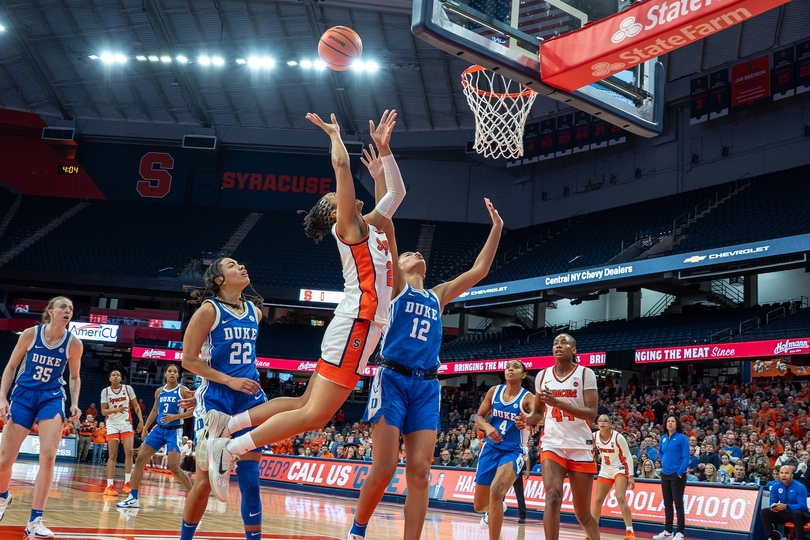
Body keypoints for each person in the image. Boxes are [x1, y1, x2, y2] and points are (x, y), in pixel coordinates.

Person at [202, 110, 406, 503]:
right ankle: (230, 449)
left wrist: (385, 151)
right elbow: (342, 166)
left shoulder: (371, 225)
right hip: (358, 324)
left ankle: (229, 423)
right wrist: (335, 135)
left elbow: (396, 195)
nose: (340, 194)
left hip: (358, 327)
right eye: (334, 198)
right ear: (334, 212)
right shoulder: (349, 227)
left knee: (302, 404)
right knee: (315, 416)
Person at [345, 145, 502, 540]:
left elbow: (480, 270)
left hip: (427, 385)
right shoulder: (395, 286)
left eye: (419, 253)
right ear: (396, 265)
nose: (416, 252)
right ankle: (357, 531)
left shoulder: (438, 294)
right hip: (393, 379)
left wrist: (497, 228)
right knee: (384, 469)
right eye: (408, 253)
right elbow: (385, 226)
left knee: (420, 471)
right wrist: (382, 172)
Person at [178, 257, 267, 540]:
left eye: (241, 264)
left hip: (249, 396)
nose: (241, 267)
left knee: (251, 480)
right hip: (217, 399)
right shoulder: (208, 311)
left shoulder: (255, 312)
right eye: (232, 265)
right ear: (219, 279)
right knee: (204, 483)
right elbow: (189, 360)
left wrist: (238, 382)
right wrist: (227, 381)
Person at [0, 296, 83, 538]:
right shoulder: (30, 334)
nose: (68, 310)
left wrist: (74, 403)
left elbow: (75, 377)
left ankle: (35, 520)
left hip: (51, 397)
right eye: (63, 307)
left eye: (71, 308)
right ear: (51, 311)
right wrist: (2, 397)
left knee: (48, 457)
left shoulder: (74, 343)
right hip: (24, 396)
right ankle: (3, 496)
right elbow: (11, 366)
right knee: (4, 461)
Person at [521, 333, 600, 540]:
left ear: (573, 350)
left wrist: (557, 403)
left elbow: (591, 413)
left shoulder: (586, 374)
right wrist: (526, 419)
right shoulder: (542, 376)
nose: (558, 345)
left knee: (583, 514)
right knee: (553, 496)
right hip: (552, 443)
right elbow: (538, 413)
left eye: (564, 342)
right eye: (555, 343)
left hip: (580, 445)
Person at [117, 364, 194, 508]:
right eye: (169, 371)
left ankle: (194, 495)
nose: (172, 373)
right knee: (139, 460)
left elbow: (194, 411)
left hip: (174, 430)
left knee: (174, 467)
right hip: (158, 429)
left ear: (178, 375)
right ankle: (133, 497)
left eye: (175, 372)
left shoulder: (183, 391)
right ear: (165, 374)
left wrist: (176, 416)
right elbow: (154, 410)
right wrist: (145, 428)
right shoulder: (159, 391)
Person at [473, 360, 533, 540]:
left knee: (497, 492)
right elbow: (479, 417)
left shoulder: (528, 398)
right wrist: (488, 427)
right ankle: (494, 509)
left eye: (515, 367)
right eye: (508, 367)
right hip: (491, 448)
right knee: (479, 505)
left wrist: (529, 421)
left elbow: (541, 418)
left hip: (514, 450)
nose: (510, 369)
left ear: (523, 375)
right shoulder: (494, 391)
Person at [100, 369, 144, 496]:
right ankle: (109, 486)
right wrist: (116, 410)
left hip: (126, 423)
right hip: (112, 424)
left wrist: (141, 421)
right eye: (113, 375)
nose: (115, 377)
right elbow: (103, 411)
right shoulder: (105, 391)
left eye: (118, 375)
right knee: (112, 454)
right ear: (109, 378)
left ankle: (127, 483)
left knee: (129, 452)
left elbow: (136, 406)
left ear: (121, 378)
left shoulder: (128, 389)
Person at [592, 414, 636, 540]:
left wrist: (631, 476)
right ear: (597, 424)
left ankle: (630, 531)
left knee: (620, 498)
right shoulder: (594, 436)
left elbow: (628, 456)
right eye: (600, 421)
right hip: (605, 470)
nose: (602, 423)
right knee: (597, 500)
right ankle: (592, 530)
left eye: (605, 421)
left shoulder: (618, 437)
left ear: (610, 424)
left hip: (620, 468)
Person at [653, 414, 690, 540]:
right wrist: (664, 461)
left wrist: (680, 471)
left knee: (678, 503)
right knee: (667, 503)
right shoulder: (663, 438)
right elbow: (661, 452)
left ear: (677, 424)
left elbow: (686, 456)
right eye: (668, 421)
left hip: (677, 474)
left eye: (673, 421)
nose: (670, 423)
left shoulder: (682, 438)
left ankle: (680, 532)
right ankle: (668, 531)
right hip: (665, 473)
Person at [761, 465, 810, 540]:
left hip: (802, 516)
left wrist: (787, 506)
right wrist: (775, 507)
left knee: (797, 513)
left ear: (792, 475)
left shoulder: (800, 487)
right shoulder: (775, 486)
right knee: (764, 511)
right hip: (786, 514)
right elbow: (772, 503)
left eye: (786, 473)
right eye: (781, 473)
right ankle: (772, 537)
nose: (783, 475)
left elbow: (802, 506)